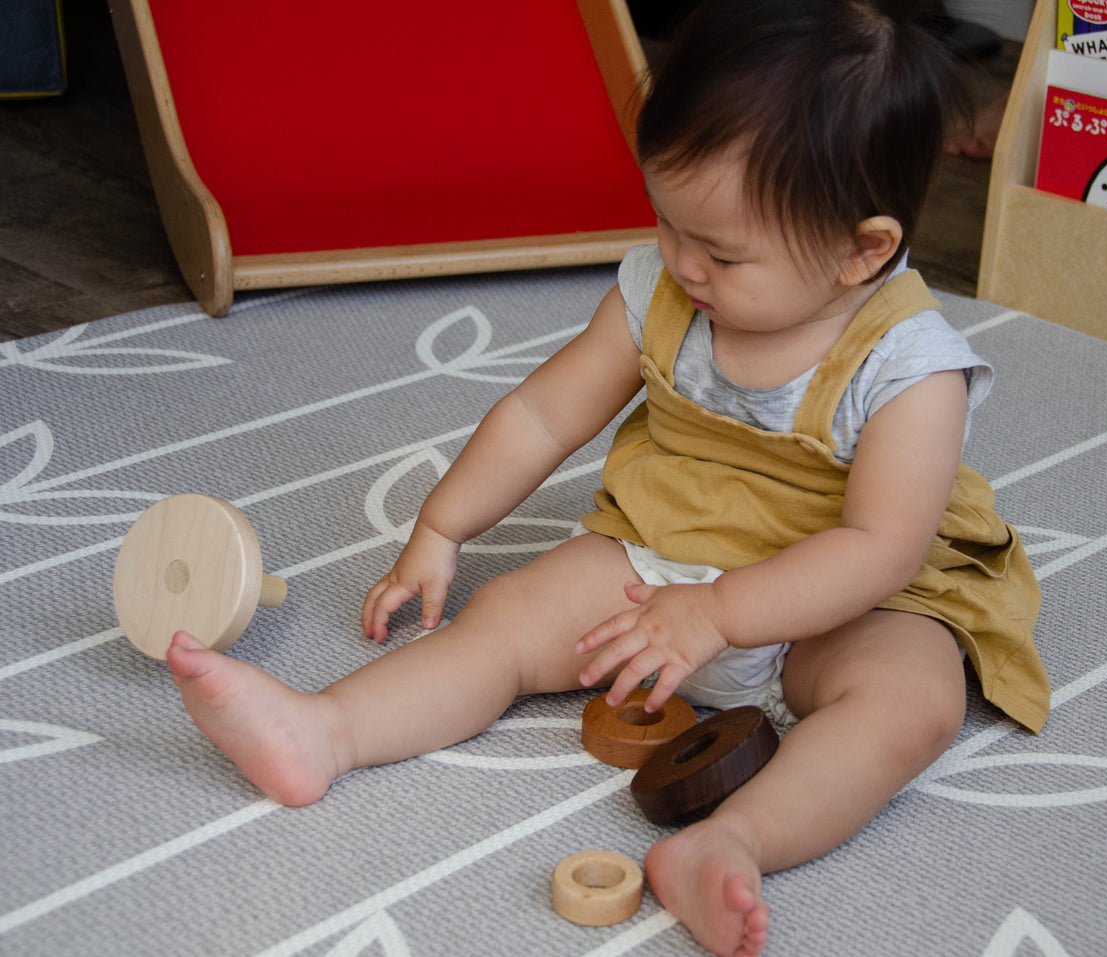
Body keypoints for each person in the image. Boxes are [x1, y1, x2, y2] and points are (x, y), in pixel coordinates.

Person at [164, 2, 1049, 953]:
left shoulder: (910, 366)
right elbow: (545, 413)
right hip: (657, 551)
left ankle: (731, 841)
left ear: (861, 250)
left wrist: (720, 615)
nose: (682, 264)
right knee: (506, 616)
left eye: (721, 252)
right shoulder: (661, 293)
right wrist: (441, 526)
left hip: (836, 603)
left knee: (911, 703)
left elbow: (879, 548)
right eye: (667, 223)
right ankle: (323, 730)